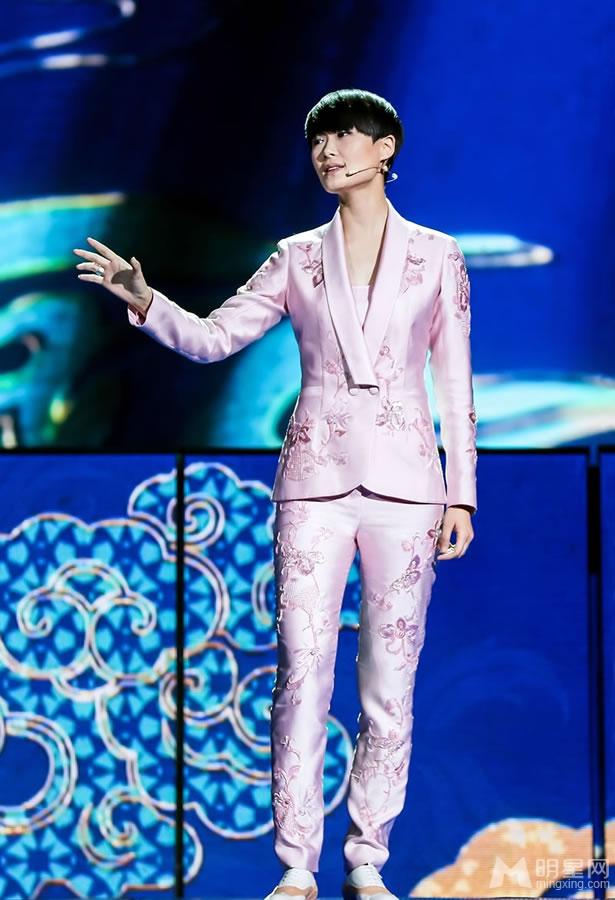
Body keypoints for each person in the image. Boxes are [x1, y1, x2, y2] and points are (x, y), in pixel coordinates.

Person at [73, 88, 477, 900]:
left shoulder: (438, 256)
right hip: (314, 485)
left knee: (389, 682)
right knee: (301, 673)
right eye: (317, 139)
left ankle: (367, 858)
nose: (327, 150)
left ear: (385, 148)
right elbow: (214, 338)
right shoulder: (295, 256)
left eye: (344, 135)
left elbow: (455, 382)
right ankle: (296, 863)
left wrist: (461, 494)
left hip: (407, 487)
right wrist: (145, 299)